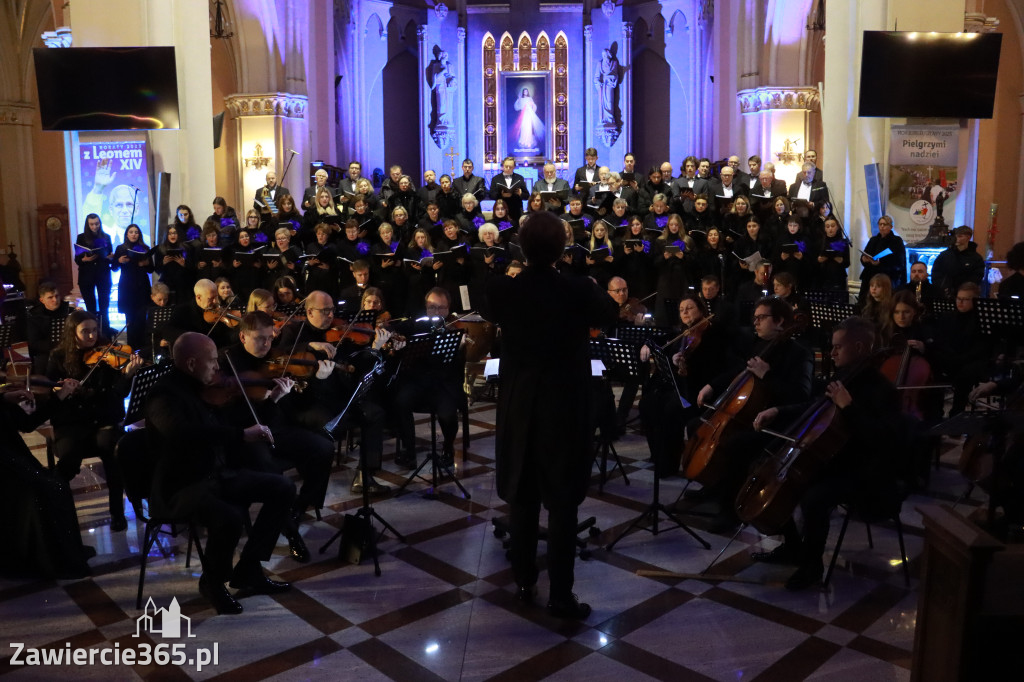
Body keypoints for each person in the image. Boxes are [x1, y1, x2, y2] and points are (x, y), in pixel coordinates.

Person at [487, 210, 619, 619]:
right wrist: (591, 285)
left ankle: (524, 581)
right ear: (563, 249)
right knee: (563, 506)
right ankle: (561, 595)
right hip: (563, 408)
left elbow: (488, 302)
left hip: (521, 407)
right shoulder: (578, 289)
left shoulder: (506, 290)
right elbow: (611, 315)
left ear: (522, 250)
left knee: (523, 499)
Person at [146, 332, 295, 614]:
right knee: (230, 515)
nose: (218, 368)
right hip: (181, 486)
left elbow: (231, 421)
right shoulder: (163, 395)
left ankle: (249, 569)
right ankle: (212, 583)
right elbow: (183, 434)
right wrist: (240, 435)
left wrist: (270, 401)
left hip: (216, 475)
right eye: (212, 361)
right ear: (191, 363)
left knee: (283, 488)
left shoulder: (204, 388)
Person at [749, 316, 902, 590]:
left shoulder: (882, 390)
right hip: (835, 458)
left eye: (837, 347)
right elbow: (816, 407)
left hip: (866, 468)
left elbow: (882, 440)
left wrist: (849, 406)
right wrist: (778, 411)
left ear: (858, 347)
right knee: (779, 475)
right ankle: (794, 547)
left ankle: (812, 566)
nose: (831, 353)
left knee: (812, 497)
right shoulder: (844, 376)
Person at [276, 291, 393, 493]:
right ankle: (312, 481)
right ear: (310, 311)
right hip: (309, 400)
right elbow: (281, 354)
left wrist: (376, 348)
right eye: (325, 311)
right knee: (329, 426)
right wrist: (309, 344)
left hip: (339, 396)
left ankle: (365, 476)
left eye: (332, 310)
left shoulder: (340, 332)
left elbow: (358, 365)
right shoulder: (295, 330)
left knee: (375, 413)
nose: (331, 315)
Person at [47, 310, 143, 531]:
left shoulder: (106, 353)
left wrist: (128, 375)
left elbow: (117, 394)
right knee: (68, 458)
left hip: (101, 419)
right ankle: (55, 510)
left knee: (112, 449)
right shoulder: (58, 357)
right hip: (72, 423)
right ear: (73, 333)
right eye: (85, 332)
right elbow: (53, 396)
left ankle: (118, 513)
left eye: (94, 330)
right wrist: (68, 392)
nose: (91, 337)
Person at [1, 379, 93, 580]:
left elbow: (27, 424)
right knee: (47, 488)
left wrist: (59, 396)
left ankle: (62, 552)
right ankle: (48, 557)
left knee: (57, 485)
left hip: (13, 456)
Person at [639, 294, 727, 477]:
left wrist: (688, 364)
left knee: (671, 409)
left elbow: (717, 366)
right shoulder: (682, 332)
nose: (685, 313)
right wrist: (648, 345)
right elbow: (658, 339)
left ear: (701, 310)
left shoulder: (715, 334)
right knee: (647, 404)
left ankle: (668, 464)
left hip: (697, 391)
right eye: (681, 310)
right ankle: (658, 456)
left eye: (690, 308)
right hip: (680, 388)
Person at [112, 224, 155, 350]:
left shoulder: (145, 248)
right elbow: (114, 268)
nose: (134, 234)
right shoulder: (121, 248)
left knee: (142, 319)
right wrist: (119, 261)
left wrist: (146, 263)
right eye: (131, 232)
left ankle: (142, 349)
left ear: (139, 234)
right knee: (130, 320)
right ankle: (131, 348)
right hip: (127, 287)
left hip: (142, 286)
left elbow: (151, 269)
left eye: (136, 232)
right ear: (127, 234)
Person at [165, 278, 238, 348]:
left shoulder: (217, 310)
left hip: (218, 350)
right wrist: (193, 337)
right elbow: (168, 331)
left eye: (216, 297)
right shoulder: (183, 310)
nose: (215, 301)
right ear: (199, 297)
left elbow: (226, 337)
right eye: (211, 298)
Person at [75, 213, 114, 335]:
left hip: (103, 274)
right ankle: (92, 334)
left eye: (97, 224)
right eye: (91, 224)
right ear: (87, 225)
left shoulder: (106, 237)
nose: (94, 226)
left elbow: (110, 254)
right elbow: (77, 258)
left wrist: (111, 257)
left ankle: (105, 334)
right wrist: (84, 260)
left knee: (104, 307)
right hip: (87, 275)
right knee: (90, 307)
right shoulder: (81, 237)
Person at [27, 282, 75, 374]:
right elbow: (34, 344)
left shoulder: (69, 311)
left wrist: (80, 315)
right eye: (50, 297)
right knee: (43, 365)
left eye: (57, 296)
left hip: (69, 350)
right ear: (42, 300)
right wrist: (57, 347)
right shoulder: (35, 316)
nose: (55, 300)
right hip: (47, 353)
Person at [859, 215, 907, 300]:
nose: (882, 227)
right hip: (869, 276)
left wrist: (879, 264)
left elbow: (899, 263)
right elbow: (865, 254)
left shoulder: (896, 241)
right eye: (880, 224)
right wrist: (864, 259)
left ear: (891, 226)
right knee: (865, 302)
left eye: (885, 224)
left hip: (886, 277)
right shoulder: (873, 240)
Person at [931, 225, 986, 299]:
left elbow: (977, 276)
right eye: (955, 236)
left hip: (966, 296)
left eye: (960, 236)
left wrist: (965, 289)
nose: (956, 239)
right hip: (946, 295)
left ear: (968, 237)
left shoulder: (976, 258)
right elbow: (936, 273)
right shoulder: (945, 255)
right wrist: (942, 287)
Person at [489, 157, 527, 224]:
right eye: (506, 166)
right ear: (503, 166)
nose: (508, 169)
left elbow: (527, 196)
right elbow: (491, 195)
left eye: (511, 167)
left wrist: (520, 193)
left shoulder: (519, 178)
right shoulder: (495, 179)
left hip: (516, 211)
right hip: (501, 211)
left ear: (514, 167)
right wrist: (501, 195)